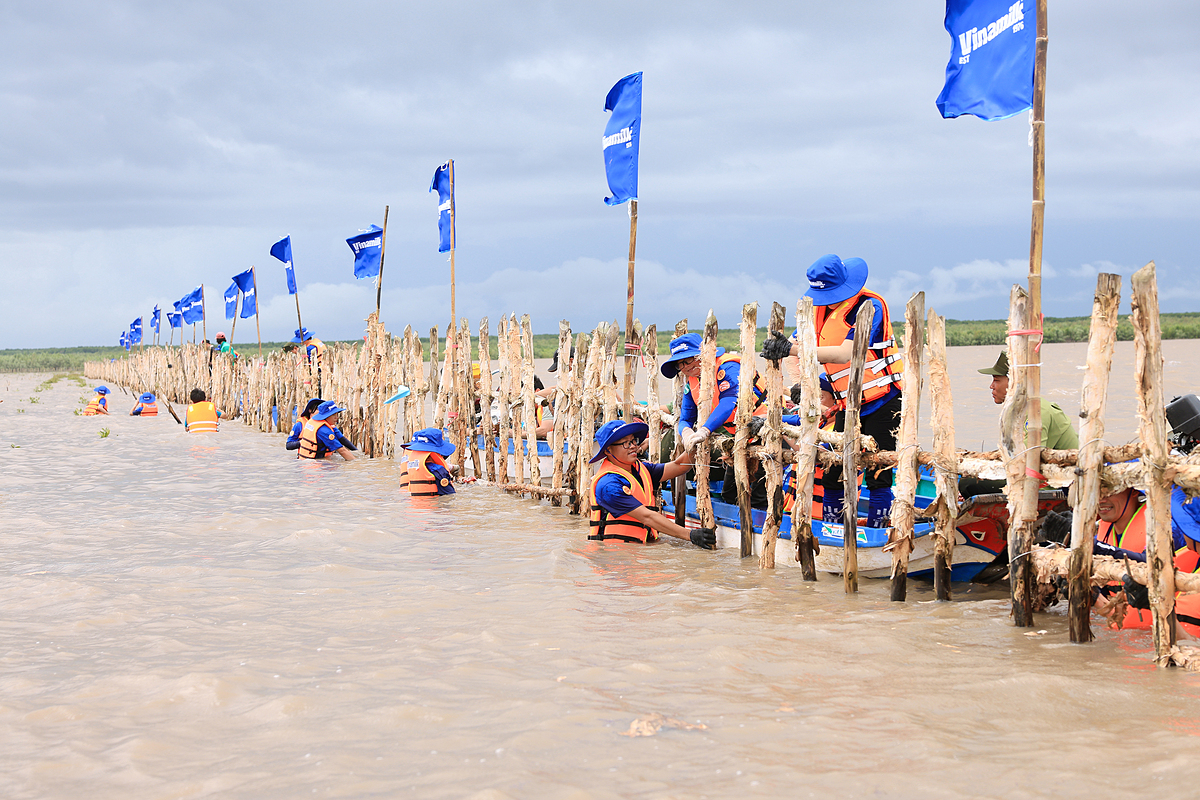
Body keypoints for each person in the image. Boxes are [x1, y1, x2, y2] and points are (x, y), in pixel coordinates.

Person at [762, 254, 903, 527]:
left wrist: (792, 349)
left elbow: (844, 353)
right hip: (846, 404)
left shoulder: (869, 306)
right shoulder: (817, 309)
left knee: (878, 471)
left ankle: (878, 530)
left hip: (882, 399)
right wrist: (800, 385)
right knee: (833, 470)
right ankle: (834, 530)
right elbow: (793, 348)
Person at [959, 350, 1080, 498]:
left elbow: (1028, 459)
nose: (992, 386)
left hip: (1054, 485)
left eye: (996, 380)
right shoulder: (1018, 411)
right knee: (969, 475)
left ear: (1013, 382)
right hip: (1033, 476)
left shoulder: (1036, 410)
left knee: (968, 484)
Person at [587, 419, 716, 548]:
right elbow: (647, 517)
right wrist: (690, 535)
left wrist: (695, 443)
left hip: (638, 547)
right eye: (625, 443)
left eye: (633, 441)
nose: (633, 446)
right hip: (614, 556)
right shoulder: (608, 486)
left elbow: (679, 466)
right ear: (608, 450)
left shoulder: (641, 468)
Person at [660, 332, 766, 452]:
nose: (685, 367)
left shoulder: (728, 367)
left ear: (702, 354)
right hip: (739, 433)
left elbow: (728, 403)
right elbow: (686, 418)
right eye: (679, 364)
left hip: (765, 423)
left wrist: (705, 430)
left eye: (688, 359)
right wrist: (686, 432)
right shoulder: (693, 381)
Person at [286, 398, 359, 456]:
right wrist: (303, 442)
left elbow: (343, 440)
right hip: (310, 458)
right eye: (317, 409)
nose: (320, 412)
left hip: (325, 456)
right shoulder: (299, 425)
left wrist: (357, 453)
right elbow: (288, 445)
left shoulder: (328, 425)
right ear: (310, 410)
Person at [399, 428, 456, 495]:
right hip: (434, 504)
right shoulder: (438, 469)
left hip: (413, 503)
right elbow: (449, 494)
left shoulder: (412, 463)